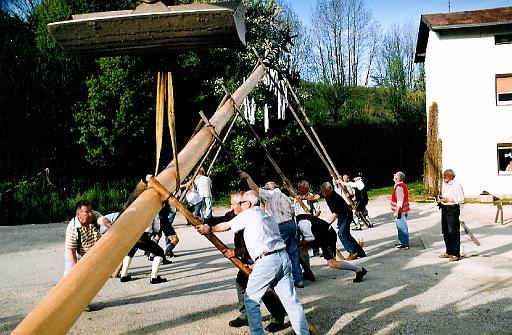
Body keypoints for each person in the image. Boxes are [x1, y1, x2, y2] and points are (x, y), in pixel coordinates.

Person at [196, 190, 309, 335]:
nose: (239, 206)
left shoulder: (249, 213)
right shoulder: (266, 215)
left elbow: (226, 226)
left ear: (248, 203)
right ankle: (303, 333)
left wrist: (209, 229)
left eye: (241, 203)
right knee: (292, 303)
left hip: (267, 261)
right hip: (282, 259)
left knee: (250, 300)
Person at [239, 171, 304, 288]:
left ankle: (280, 281)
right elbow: (293, 213)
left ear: (269, 188)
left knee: (277, 253)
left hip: (280, 226)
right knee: (293, 253)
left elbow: (255, 190)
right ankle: (299, 279)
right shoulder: (285, 197)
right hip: (290, 224)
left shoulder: (269, 194)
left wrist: (247, 177)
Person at [295, 214, 368, 282]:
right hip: (320, 235)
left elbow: (310, 238)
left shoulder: (302, 223)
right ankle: (307, 272)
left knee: (332, 263)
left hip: (327, 236)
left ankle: (359, 270)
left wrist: (296, 244)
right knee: (302, 249)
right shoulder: (297, 220)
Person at [310, 182, 366, 260]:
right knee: (347, 235)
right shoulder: (325, 193)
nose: (323, 194)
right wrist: (304, 198)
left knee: (342, 233)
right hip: (342, 216)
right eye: (322, 192)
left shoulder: (335, 198)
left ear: (330, 190)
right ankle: (360, 252)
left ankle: (353, 252)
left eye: (324, 192)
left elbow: (334, 215)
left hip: (346, 215)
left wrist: (325, 225)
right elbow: (315, 197)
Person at [118, 214, 170, 284]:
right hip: (143, 237)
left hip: (131, 235)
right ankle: (154, 277)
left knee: (130, 252)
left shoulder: (136, 208)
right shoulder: (153, 210)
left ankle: (124, 275)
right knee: (159, 252)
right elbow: (156, 228)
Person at [64, 200, 102, 276]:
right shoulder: (72, 229)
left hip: (90, 251)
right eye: (86, 212)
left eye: (91, 211)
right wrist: (76, 270)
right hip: (76, 253)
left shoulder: (94, 216)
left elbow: (103, 220)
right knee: (70, 277)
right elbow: (71, 252)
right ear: (78, 214)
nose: (90, 214)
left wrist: (104, 222)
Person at [294, 180, 321, 281]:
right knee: (301, 249)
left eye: (302, 188)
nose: (300, 190)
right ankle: (306, 270)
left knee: (304, 247)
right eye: (299, 188)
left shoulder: (311, 197)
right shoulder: (296, 197)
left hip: (307, 223)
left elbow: (318, 210)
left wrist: (313, 219)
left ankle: (307, 270)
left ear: (307, 188)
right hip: (298, 224)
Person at [438, 169, 465, 262]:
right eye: (443, 175)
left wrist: (448, 199)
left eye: (445, 175)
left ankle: (456, 253)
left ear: (451, 176)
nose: (444, 176)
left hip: (452, 209)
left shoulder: (456, 185)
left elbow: (461, 199)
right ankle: (449, 251)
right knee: (445, 231)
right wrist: (441, 199)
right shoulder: (445, 185)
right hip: (444, 208)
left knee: (453, 231)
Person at [391, 171, 410, 250]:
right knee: (400, 226)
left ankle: (404, 244)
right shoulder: (402, 185)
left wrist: (396, 211)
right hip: (403, 210)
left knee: (402, 227)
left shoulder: (399, 187)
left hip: (400, 211)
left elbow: (399, 201)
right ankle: (402, 242)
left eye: (395, 176)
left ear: (397, 178)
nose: (394, 177)